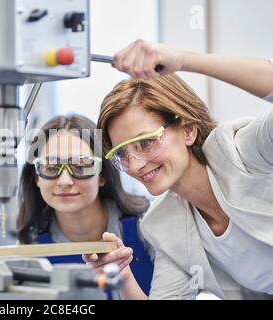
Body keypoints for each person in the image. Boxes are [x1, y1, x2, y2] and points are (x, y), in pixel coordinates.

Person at [83, 39, 273, 300]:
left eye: (146, 142)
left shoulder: (245, 151)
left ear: (188, 129)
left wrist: (184, 59)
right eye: (122, 153)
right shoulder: (163, 223)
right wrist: (122, 275)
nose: (135, 165)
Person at [16, 114, 153, 295]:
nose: (65, 181)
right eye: (50, 168)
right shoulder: (30, 245)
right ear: (36, 178)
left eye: (81, 166)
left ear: (102, 175)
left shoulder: (148, 224)